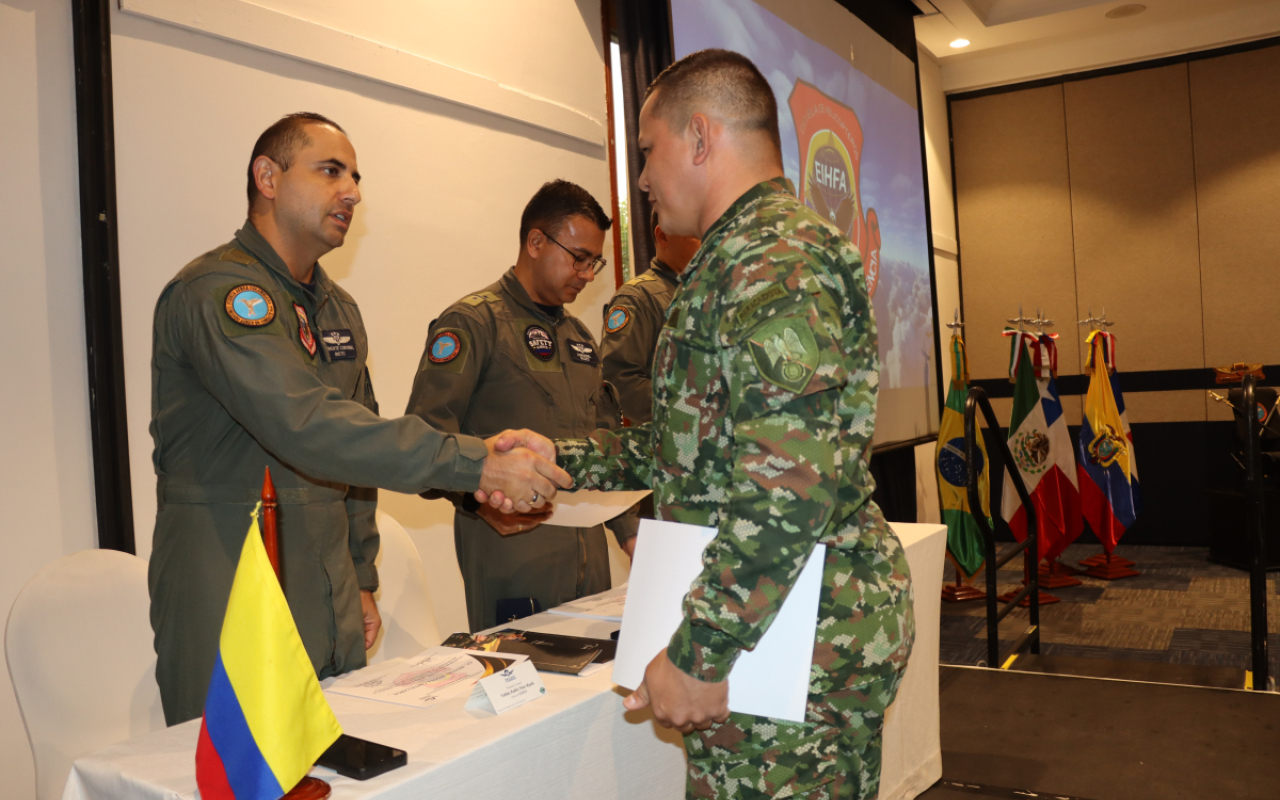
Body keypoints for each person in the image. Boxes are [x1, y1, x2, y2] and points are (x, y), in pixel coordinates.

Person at [550, 51, 916, 799]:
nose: (644, 179)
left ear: (701, 137)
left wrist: (700, 653)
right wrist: (561, 463)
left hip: (792, 639)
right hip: (774, 621)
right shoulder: (736, 260)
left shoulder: (775, 260)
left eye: (648, 152)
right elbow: (689, 447)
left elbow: (790, 482)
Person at [149, 112, 570, 725]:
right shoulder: (217, 294)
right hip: (235, 577)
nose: (352, 191)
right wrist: (477, 462)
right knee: (244, 777)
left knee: (340, 770)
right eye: (330, 171)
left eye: (355, 176)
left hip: (328, 588)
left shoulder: (337, 308)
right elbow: (311, 427)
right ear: (267, 177)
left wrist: (362, 573)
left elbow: (358, 445)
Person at [406, 179, 637, 633]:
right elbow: (423, 441)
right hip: (512, 555)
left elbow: (609, 449)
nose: (588, 274)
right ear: (535, 241)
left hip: (590, 568)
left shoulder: (581, 339)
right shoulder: (474, 323)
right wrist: (477, 504)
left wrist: (631, 534)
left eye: (595, 261)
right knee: (524, 689)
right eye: (579, 258)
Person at [600, 211, 701, 426]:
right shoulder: (637, 298)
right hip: (666, 443)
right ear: (663, 235)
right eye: (697, 236)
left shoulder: (706, 294)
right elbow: (618, 380)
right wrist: (690, 409)